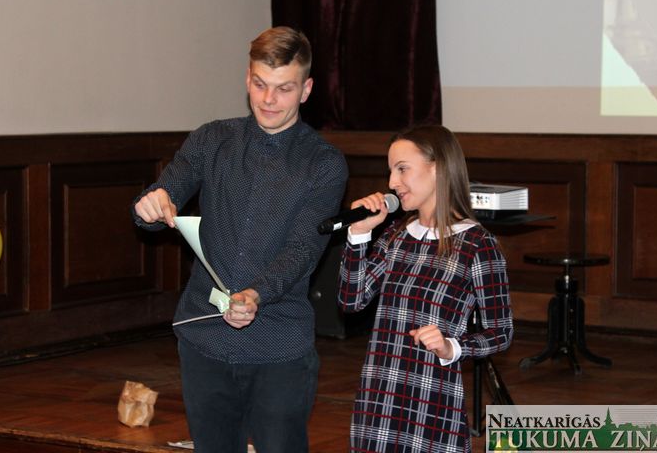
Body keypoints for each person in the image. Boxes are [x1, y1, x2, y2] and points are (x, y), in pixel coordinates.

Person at [132, 26, 348, 453]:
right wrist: (150, 206)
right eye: (260, 84)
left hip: (279, 344)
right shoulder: (211, 139)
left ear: (306, 90)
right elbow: (162, 197)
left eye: (284, 89)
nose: (269, 100)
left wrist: (256, 294)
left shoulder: (324, 164)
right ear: (247, 79)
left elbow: (303, 250)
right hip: (204, 338)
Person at [337, 125, 513, 453]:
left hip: (432, 397)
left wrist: (452, 347)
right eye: (390, 171)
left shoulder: (477, 244)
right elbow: (351, 300)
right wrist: (359, 234)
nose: (392, 182)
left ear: (438, 168)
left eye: (402, 169)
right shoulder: (395, 236)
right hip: (379, 395)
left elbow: (500, 333)